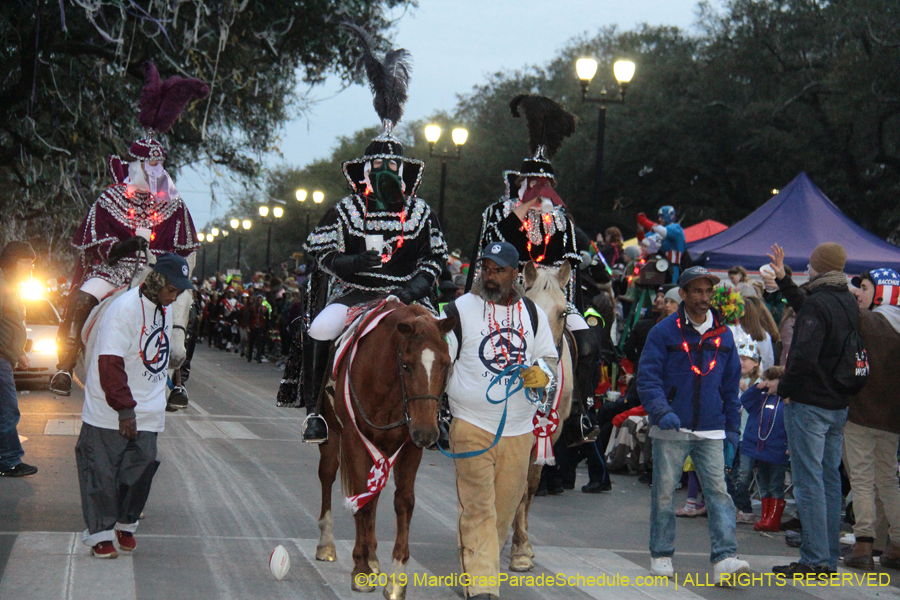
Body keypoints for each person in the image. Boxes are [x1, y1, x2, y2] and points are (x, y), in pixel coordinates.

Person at [288, 26, 448, 443]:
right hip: (357, 293)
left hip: (410, 296)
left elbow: (434, 257)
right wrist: (349, 262)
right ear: (366, 172)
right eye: (378, 170)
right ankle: (314, 411)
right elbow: (320, 252)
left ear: (402, 172)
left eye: (392, 170)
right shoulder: (344, 209)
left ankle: (444, 411)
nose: (385, 176)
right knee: (320, 328)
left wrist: (415, 286)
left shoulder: (420, 211)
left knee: (447, 340)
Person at [51, 62, 206, 396]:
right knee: (83, 297)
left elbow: (186, 248)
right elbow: (94, 244)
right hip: (112, 270)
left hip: (157, 271)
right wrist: (124, 247)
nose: (154, 172)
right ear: (134, 165)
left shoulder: (175, 205)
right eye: (148, 165)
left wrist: (170, 264)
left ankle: (179, 380)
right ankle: (64, 364)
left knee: (188, 307)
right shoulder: (110, 198)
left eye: (158, 165)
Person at [469, 94, 600, 425]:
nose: (539, 191)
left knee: (587, 342)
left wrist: (563, 300)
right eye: (532, 184)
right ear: (520, 182)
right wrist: (521, 212)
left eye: (545, 185)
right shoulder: (497, 214)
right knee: (461, 337)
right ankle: (450, 403)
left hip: (553, 294)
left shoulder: (561, 219)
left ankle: (582, 410)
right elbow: (492, 250)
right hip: (505, 293)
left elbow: (569, 263)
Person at [441, 242, 558, 600]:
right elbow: (439, 360)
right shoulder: (458, 310)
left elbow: (549, 359)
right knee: (478, 507)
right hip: (471, 424)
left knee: (504, 511)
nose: (491, 276)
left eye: (499, 270)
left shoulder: (533, 314)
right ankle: (481, 587)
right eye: (486, 269)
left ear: (515, 273)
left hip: (520, 429)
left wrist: (542, 374)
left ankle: (478, 569)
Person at [75, 253, 193, 558]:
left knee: (140, 471)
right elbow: (110, 362)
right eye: (171, 289)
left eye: (179, 291)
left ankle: (125, 525)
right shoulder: (123, 309)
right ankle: (100, 534)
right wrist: (125, 410)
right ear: (155, 281)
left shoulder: (166, 309)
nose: (174, 295)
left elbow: (159, 354)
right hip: (111, 410)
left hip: (149, 409)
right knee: (101, 472)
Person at [638, 266, 750, 584]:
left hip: (712, 429)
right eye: (697, 291)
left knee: (718, 494)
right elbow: (648, 379)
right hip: (671, 428)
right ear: (683, 294)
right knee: (663, 494)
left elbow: (730, 388)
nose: (704, 298)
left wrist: (732, 429)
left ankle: (726, 558)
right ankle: (661, 554)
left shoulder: (724, 334)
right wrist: (661, 412)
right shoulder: (663, 332)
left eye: (708, 292)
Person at [769, 242, 857, 576]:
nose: (808, 266)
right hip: (837, 402)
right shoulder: (844, 299)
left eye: (811, 262)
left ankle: (814, 559)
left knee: (808, 482)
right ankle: (828, 554)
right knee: (829, 480)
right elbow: (809, 308)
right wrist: (784, 280)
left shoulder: (820, 303)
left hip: (810, 403)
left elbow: (803, 354)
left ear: (819, 266)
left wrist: (786, 389)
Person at [842, 269, 900, 570]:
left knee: (863, 480)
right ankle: (896, 546)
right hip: (892, 421)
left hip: (861, 414)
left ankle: (863, 545)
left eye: (863, 287)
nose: (857, 293)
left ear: (881, 293)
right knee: (889, 481)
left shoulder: (868, 321)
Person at [0, 242, 38, 477]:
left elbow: (8, 325)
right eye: (28, 263)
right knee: (7, 411)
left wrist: (19, 352)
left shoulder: (10, 286)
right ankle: (9, 461)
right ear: (14, 262)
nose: (31, 269)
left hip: (5, 357)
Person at [739, 366, 789, 532]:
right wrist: (756, 387)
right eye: (765, 379)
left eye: (771, 380)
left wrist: (790, 445)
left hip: (777, 451)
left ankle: (773, 520)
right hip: (761, 450)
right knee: (764, 485)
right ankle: (765, 517)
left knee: (775, 485)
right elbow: (745, 400)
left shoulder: (786, 403)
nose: (767, 383)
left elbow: (792, 426)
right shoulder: (761, 400)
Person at [636, 206, 686, 280]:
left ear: (671, 216)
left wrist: (644, 221)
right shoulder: (657, 231)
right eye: (659, 216)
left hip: (671, 269)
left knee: (670, 289)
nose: (660, 219)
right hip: (655, 268)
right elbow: (642, 243)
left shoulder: (676, 228)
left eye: (662, 216)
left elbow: (662, 231)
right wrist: (640, 229)